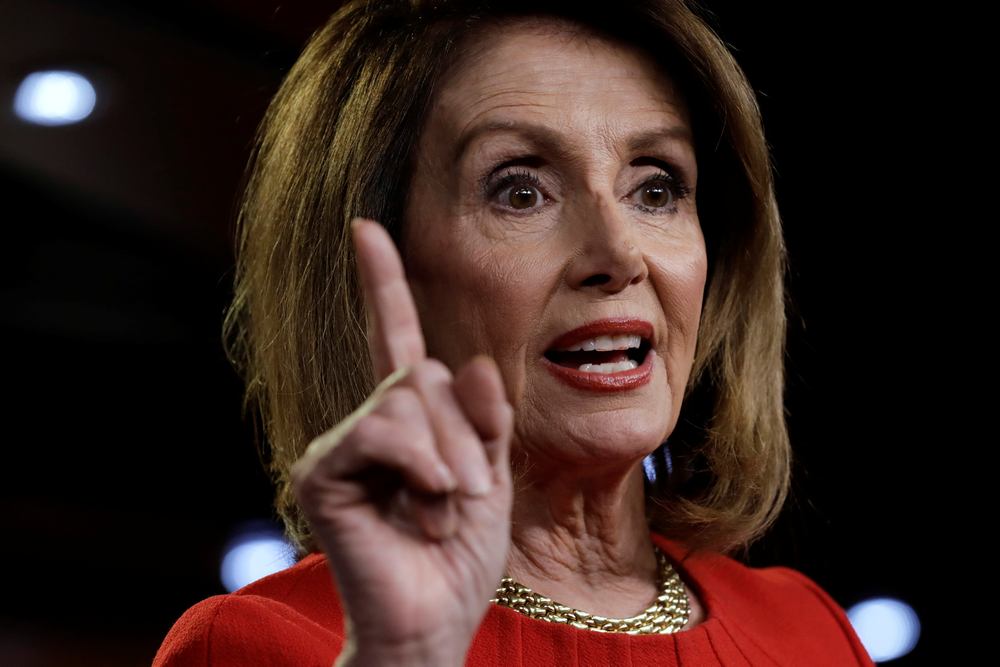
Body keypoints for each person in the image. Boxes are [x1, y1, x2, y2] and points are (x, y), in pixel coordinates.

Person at [154, 1, 874, 665]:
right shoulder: (259, 645)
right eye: (520, 190)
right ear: (382, 267)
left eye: (655, 188)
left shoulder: (809, 630)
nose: (619, 255)